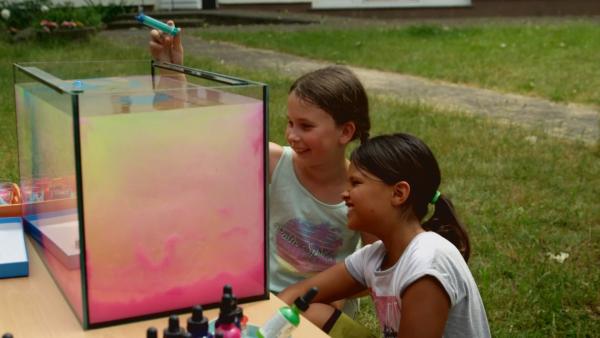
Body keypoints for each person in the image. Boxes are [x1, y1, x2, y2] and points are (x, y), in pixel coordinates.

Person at [148, 23, 377, 315]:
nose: (292, 135)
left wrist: (326, 296)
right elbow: (191, 137)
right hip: (261, 298)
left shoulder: (363, 190)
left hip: (321, 309)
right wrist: (171, 71)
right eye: (290, 122)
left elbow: (378, 270)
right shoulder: (273, 162)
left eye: (306, 126)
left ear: (345, 132)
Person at [277, 133, 491, 338]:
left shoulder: (426, 264)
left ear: (398, 193)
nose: (345, 193)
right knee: (308, 312)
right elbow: (299, 295)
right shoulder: (375, 256)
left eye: (356, 183)